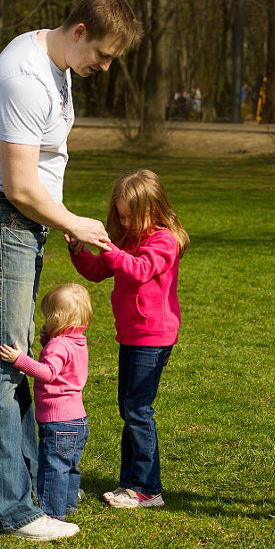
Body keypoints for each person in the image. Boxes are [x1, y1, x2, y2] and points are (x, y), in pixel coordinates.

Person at [0, 0, 143, 540]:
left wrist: (57, 221)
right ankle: (12, 514)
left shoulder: (56, 62)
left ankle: (27, 491)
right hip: (2, 220)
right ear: (80, 30)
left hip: (21, 222)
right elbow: (18, 185)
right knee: (3, 361)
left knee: (20, 355)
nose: (105, 68)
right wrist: (74, 222)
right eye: (104, 55)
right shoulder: (26, 78)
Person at [67, 170, 189, 509]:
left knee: (138, 409)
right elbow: (97, 271)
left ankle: (148, 488)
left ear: (154, 207)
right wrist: (79, 250)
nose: (124, 221)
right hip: (132, 335)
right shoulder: (128, 241)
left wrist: (106, 245)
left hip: (153, 337)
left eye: (130, 215)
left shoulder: (164, 241)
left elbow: (136, 271)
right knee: (129, 408)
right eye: (120, 216)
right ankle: (130, 482)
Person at [0, 283, 92, 527]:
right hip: (78, 420)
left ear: (57, 318)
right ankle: (69, 505)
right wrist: (48, 341)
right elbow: (63, 367)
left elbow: (49, 372)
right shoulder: (78, 341)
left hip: (58, 421)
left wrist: (21, 360)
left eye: (47, 317)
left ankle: (52, 515)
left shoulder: (58, 346)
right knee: (70, 466)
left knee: (54, 469)